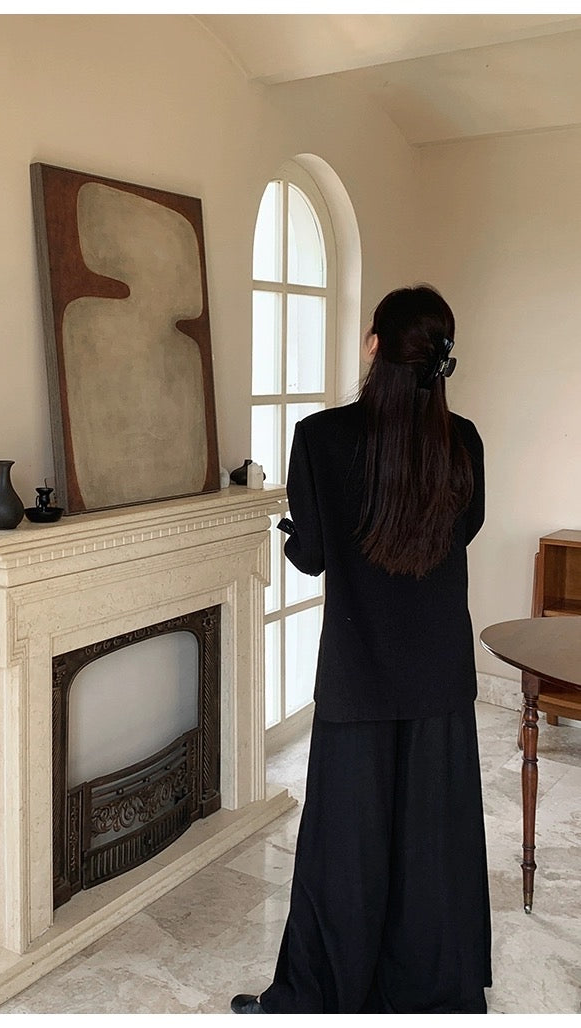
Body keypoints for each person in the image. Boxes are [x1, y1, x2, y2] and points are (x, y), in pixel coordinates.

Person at [231, 284, 491, 1014]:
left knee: (345, 843)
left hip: (359, 671)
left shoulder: (320, 437)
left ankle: (324, 993)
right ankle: (428, 991)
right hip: (439, 672)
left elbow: (313, 556)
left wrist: (292, 534)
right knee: (431, 840)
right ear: (438, 359)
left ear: (374, 346)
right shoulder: (464, 440)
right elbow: (463, 530)